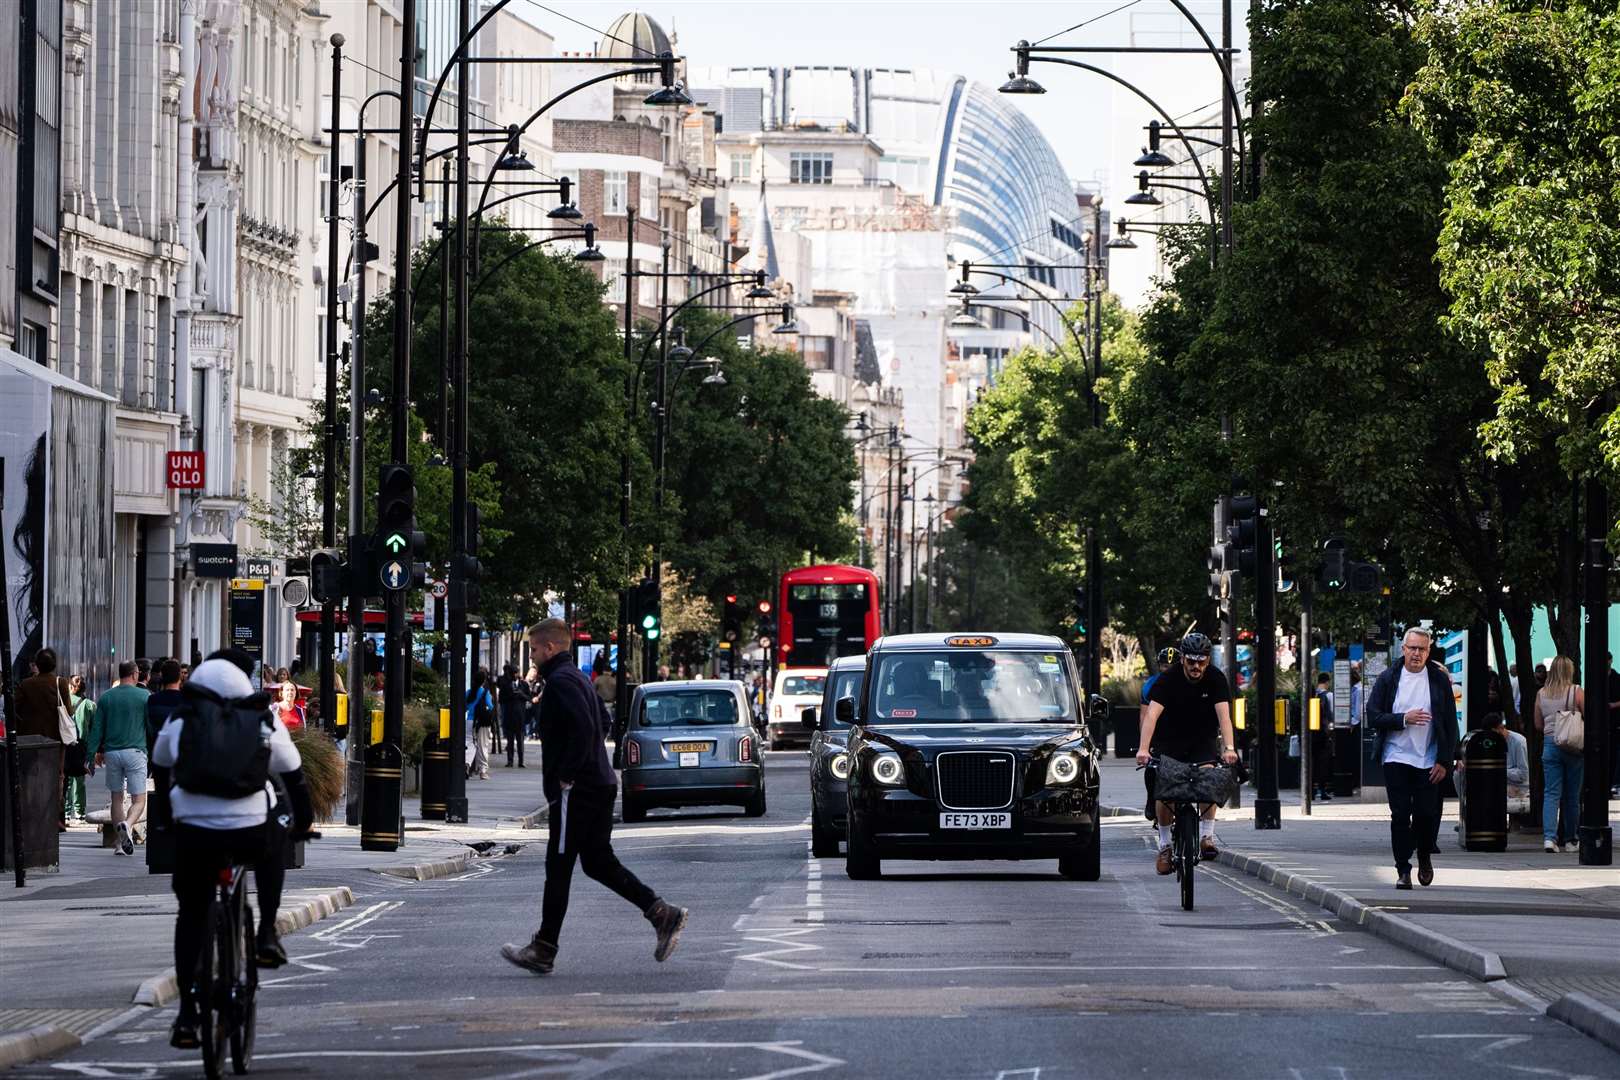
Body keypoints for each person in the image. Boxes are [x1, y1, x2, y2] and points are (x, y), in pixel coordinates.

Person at [501, 618, 688, 975]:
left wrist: (568, 774)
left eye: (534, 649)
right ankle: (662, 912)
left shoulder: (559, 683)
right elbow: (601, 722)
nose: (532, 655)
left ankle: (543, 948)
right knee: (598, 862)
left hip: (579, 790)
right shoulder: (578, 680)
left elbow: (589, 727)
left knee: (558, 867)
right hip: (599, 783)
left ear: (550, 648)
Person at [151, 649, 314, 1050]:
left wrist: (171, 815)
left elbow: (161, 765)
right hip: (248, 828)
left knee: (191, 912)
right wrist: (303, 824)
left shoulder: (183, 716)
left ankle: (188, 1015)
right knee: (274, 845)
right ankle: (265, 935)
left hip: (195, 831)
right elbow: (293, 777)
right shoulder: (262, 718)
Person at [1135, 632, 1240, 873]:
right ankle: (1165, 846)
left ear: (1208, 660)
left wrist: (1230, 748)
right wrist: (1143, 748)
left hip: (1202, 739)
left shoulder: (1216, 679)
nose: (1196, 666)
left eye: (1201, 661)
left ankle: (1207, 837)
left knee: (1209, 779)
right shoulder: (1167, 680)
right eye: (1191, 661)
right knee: (1165, 790)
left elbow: (1224, 717)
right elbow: (1150, 716)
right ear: (1182, 659)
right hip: (1169, 740)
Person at [1366, 627, 1458, 889]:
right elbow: (1373, 716)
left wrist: (1444, 760)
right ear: (1403, 649)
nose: (1416, 653)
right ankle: (1403, 869)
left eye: (1422, 649)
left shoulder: (1439, 681)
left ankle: (1425, 855)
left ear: (1429, 652)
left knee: (1426, 814)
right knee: (1400, 814)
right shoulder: (1389, 678)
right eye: (1412, 648)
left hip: (1427, 758)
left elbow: (1450, 724)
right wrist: (1404, 719)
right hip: (1396, 756)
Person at [87, 661, 153, 855]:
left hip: (112, 753)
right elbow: (150, 727)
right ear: (134, 674)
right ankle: (128, 824)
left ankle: (118, 844)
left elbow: (97, 728)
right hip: (136, 752)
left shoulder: (106, 697)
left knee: (117, 798)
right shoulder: (144, 696)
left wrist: (91, 754)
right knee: (139, 800)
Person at [15, 646, 73, 831]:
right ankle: (52, 817)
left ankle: (31, 814)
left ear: (37, 665)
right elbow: (69, 711)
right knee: (56, 777)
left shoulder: (26, 684)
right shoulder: (61, 683)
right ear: (54, 664)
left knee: (30, 777)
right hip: (55, 740)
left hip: (29, 739)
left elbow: (14, 708)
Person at [1531, 655, 1585, 853]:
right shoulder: (1576, 691)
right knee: (1572, 796)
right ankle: (1571, 840)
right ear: (1569, 671)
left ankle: (1549, 838)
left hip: (1550, 745)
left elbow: (1538, 724)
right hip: (1572, 746)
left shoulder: (1541, 693)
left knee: (1551, 794)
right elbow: (1588, 715)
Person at [63, 674, 93, 823]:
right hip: (82, 745)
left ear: (70, 686)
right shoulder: (89, 704)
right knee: (79, 779)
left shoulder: (63, 702)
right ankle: (80, 812)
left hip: (66, 744)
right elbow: (94, 728)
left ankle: (66, 812)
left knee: (66, 779)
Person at [1138, 648, 1175, 749]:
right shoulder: (1149, 686)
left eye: (1173, 667)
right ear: (1159, 666)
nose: (1169, 670)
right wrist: (1145, 746)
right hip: (1159, 734)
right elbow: (1144, 717)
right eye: (1165, 666)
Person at [147, 659, 186, 751]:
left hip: (157, 748)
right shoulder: (187, 700)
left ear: (162, 676)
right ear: (179, 677)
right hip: (179, 750)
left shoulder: (153, 699)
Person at [498, 663, 529, 768]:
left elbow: (529, 698)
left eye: (515, 673)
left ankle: (521, 761)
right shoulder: (506, 685)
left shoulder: (524, 685)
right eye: (512, 673)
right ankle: (510, 760)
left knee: (520, 739)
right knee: (510, 740)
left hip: (520, 715)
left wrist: (521, 694)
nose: (514, 675)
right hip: (509, 714)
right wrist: (511, 695)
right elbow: (501, 699)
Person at [1311, 672, 1335, 801]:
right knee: (1323, 763)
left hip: (1312, 734)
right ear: (1327, 682)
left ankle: (1312, 790)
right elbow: (1331, 715)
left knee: (1313, 763)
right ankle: (1322, 790)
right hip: (1324, 735)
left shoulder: (1311, 694)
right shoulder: (1329, 695)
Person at [467, 669, 494, 780]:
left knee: (469, 743)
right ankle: (483, 771)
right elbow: (490, 706)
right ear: (483, 681)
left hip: (469, 720)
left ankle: (467, 764)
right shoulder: (485, 692)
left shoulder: (469, 691)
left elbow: (465, 705)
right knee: (483, 745)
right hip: (482, 722)